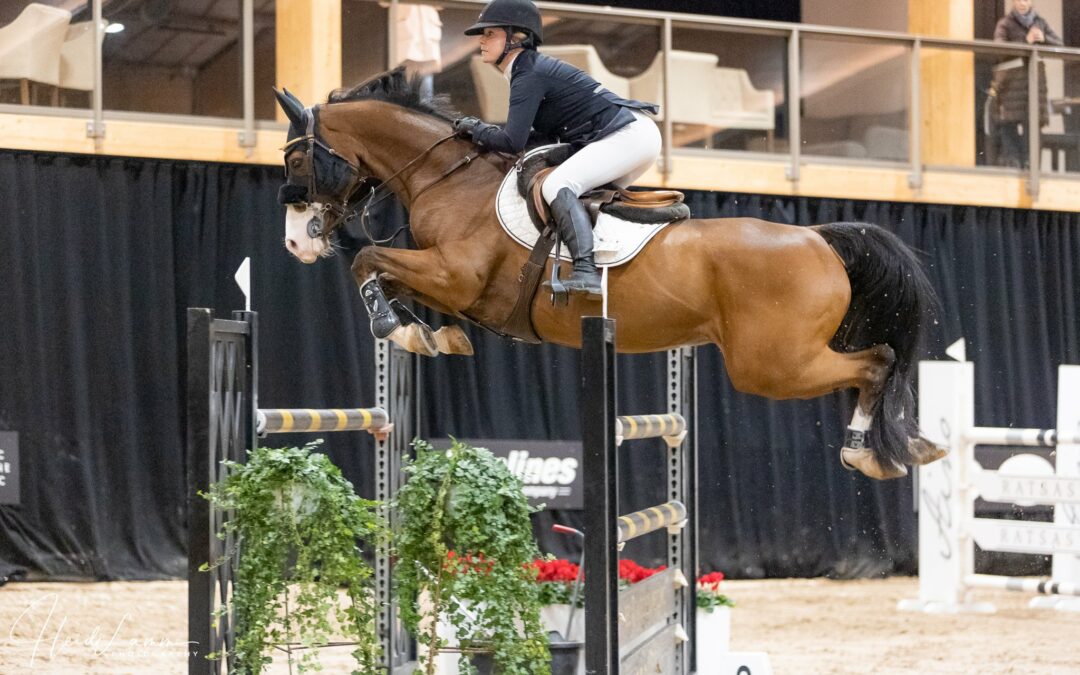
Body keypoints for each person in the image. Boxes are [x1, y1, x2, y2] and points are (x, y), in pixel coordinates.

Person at [453, 0, 661, 298]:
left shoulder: (528, 74)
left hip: (628, 136)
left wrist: (475, 128)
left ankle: (586, 273)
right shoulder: (527, 70)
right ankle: (607, 259)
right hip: (629, 136)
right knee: (581, 196)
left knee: (557, 184)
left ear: (518, 37)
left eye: (490, 33)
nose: (482, 41)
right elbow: (537, 136)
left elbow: (513, 142)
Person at [989, 0, 1062, 168]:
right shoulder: (1005, 23)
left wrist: (1043, 39)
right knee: (1009, 127)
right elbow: (997, 48)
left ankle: (1032, 168)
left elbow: (1060, 46)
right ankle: (1014, 169)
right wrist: (1025, 41)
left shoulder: (1039, 22)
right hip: (1012, 86)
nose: (1023, 3)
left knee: (1033, 129)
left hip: (1035, 86)